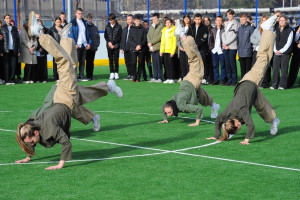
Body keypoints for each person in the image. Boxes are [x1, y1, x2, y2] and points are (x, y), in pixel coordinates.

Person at [15, 11, 123, 170]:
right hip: (66, 99)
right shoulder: (35, 129)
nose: (31, 144)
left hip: (63, 96)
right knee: (70, 67)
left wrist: (60, 164)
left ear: (34, 132)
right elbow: (32, 138)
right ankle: (67, 40)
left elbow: (61, 141)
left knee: (63, 62)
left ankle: (40, 33)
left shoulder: (33, 123)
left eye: (30, 143)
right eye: (29, 144)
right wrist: (27, 156)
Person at [206, 15, 280, 145]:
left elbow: (251, 125)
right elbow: (218, 121)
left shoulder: (241, 111)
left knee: (263, 57)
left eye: (239, 127)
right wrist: (218, 135)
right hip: (246, 86)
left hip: (251, 80)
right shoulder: (227, 115)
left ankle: (267, 30)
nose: (241, 126)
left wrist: (246, 139)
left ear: (235, 122)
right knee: (260, 104)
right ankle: (273, 120)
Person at [159, 26, 220, 126]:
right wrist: (165, 118)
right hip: (188, 83)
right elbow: (163, 107)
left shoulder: (181, 106)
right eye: (168, 113)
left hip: (192, 81)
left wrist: (196, 123)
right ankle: (214, 106)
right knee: (202, 95)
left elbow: (198, 109)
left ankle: (183, 35)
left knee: (194, 59)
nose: (169, 115)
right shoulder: (171, 102)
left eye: (169, 113)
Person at [270, 15, 293, 90]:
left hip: (285, 53)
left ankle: (282, 85)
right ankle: (274, 84)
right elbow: (274, 40)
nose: (282, 22)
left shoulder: (290, 30)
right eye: (280, 20)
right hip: (276, 52)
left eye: (283, 20)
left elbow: (289, 43)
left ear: (286, 21)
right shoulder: (276, 29)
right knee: (275, 69)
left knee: (284, 69)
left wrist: (281, 51)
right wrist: (275, 50)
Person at [70, 8, 92, 81]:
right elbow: (71, 34)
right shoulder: (72, 22)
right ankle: (74, 77)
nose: (80, 15)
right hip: (77, 45)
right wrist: (75, 44)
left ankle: (81, 76)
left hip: (84, 44)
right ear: (76, 13)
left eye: (81, 13)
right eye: (79, 13)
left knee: (82, 61)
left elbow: (88, 33)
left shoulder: (84, 22)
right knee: (75, 62)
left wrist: (89, 43)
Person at [1, 14, 20, 85]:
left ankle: (12, 79)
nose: (8, 19)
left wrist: (18, 50)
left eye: (9, 18)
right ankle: (7, 80)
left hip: (13, 49)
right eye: (7, 18)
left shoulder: (14, 28)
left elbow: (17, 40)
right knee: (6, 66)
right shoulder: (2, 28)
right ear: (4, 19)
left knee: (13, 65)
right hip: (6, 50)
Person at [127, 15, 147, 82]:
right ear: (134, 21)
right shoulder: (131, 29)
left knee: (140, 63)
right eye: (136, 21)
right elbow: (130, 39)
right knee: (133, 63)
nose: (138, 22)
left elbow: (145, 39)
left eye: (139, 21)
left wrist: (140, 45)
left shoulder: (143, 29)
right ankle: (134, 77)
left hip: (141, 49)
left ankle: (138, 77)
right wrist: (135, 46)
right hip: (133, 48)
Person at [222, 9, 239, 86]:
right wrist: (224, 44)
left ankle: (234, 80)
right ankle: (229, 80)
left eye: (230, 14)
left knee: (232, 64)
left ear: (233, 15)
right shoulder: (226, 23)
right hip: (225, 47)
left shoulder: (236, 24)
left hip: (232, 47)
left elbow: (234, 36)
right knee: (227, 64)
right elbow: (223, 34)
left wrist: (226, 43)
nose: (229, 16)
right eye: (228, 14)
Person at [192, 13, 209, 84]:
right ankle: (196, 77)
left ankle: (204, 78)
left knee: (203, 63)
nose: (198, 21)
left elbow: (204, 37)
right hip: (193, 48)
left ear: (201, 19)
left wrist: (198, 44)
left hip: (202, 49)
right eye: (196, 19)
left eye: (199, 19)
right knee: (195, 64)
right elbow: (189, 36)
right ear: (194, 20)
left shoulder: (204, 27)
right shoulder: (191, 27)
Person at [19, 18, 37, 84]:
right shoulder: (23, 29)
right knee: (28, 64)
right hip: (26, 48)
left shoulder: (33, 30)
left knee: (33, 65)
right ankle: (26, 78)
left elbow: (36, 40)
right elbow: (23, 40)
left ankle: (31, 78)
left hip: (32, 49)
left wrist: (34, 47)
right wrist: (30, 47)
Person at [104, 13, 122, 80]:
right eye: (109, 20)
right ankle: (111, 72)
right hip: (109, 46)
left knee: (116, 59)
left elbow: (120, 36)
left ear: (114, 19)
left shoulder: (119, 26)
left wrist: (113, 43)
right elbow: (105, 36)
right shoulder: (107, 26)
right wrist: (109, 43)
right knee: (110, 59)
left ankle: (116, 72)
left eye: (111, 20)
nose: (110, 21)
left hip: (116, 46)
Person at [147, 13, 164, 83]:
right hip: (151, 48)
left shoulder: (161, 26)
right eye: (153, 19)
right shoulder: (151, 27)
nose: (154, 20)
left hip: (158, 47)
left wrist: (152, 42)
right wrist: (150, 44)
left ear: (158, 19)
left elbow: (160, 36)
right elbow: (148, 36)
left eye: (155, 19)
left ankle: (160, 77)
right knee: (154, 63)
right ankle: (155, 76)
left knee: (159, 63)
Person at [160, 17, 177, 84]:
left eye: (169, 22)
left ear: (171, 23)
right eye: (166, 23)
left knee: (171, 65)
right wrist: (161, 51)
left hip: (170, 51)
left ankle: (172, 78)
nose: (168, 24)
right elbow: (162, 42)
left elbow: (174, 42)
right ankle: (168, 77)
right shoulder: (164, 30)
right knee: (166, 65)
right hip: (165, 51)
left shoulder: (173, 30)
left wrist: (172, 52)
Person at [237, 13, 254, 79]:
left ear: (246, 19)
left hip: (248, 52)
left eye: (243, 19)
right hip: (241, 52)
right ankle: (242, 80)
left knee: (248, 68)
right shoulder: (239, 28)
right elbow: (238, 40)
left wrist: (250, 48)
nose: (242, 21)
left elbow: (252, 39)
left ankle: (248, 80)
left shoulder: (250, 28)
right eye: (240, 20)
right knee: (242, 68)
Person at [177, 15, 193, 83]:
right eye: (185, 19)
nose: (186, 20)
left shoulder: (192, 28)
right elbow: (177, 39)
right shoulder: (181, 28)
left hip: (188, 49)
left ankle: (189, 78)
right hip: (181, 49)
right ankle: (183, 77)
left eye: (187, 19)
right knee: (182, 64)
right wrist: (179, 46)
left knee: (188, 64)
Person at [210, 16, 226, 85]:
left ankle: (223, 80)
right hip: (214, 50)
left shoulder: (224, 29)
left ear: (222, 21)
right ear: (215, 21)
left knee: (223, 66)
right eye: (217, 20)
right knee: (215, 66)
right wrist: (211, 48)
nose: (219, 22)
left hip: (221, 50)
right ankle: (216, 80)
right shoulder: (212, 30)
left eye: (220, 20)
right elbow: (210, 39)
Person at [85, 13, 100, 81]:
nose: (90, 20)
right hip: (86, 48)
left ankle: (91, 75)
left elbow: (98, 37)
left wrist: (97, 44)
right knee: (86, 62)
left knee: (91, 62)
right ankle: (86, 75)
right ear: (86, 19)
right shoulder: (85, 27)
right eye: (88, 18)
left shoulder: (95, 28)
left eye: (91, 18)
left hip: (93, 48)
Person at [120, 14, 134, 80]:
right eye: (128, 19)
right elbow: (123, 39)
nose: (129, 20)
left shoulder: (134, 28)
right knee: (127, 62)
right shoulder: (125, 29)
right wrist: (122, 47)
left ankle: (133, 75)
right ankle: (129, 74)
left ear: (132, 20)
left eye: (130, 19)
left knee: (132, 62)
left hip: (132, 48)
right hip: (125, 48)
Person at [49, 17, 62, 81]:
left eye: (59, 22)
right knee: (55, 63)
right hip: (55, 48)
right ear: (55, 22)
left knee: (61, 63)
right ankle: (55, 76)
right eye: (57, 22)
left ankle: (61, 76)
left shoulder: (63, 28)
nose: (58, 23)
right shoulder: (52, 30)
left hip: (62, 48)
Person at [203, 16, 214, 84]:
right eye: (205, 21)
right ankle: (205, 78)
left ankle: (211, 78)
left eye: (207, 20)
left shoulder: (212, 29)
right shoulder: (202, 29)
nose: (206, 22)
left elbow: (214, 39)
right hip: (204, 49)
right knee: (205, 64)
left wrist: (211, 47)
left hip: (211, 49)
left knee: (211, 64)